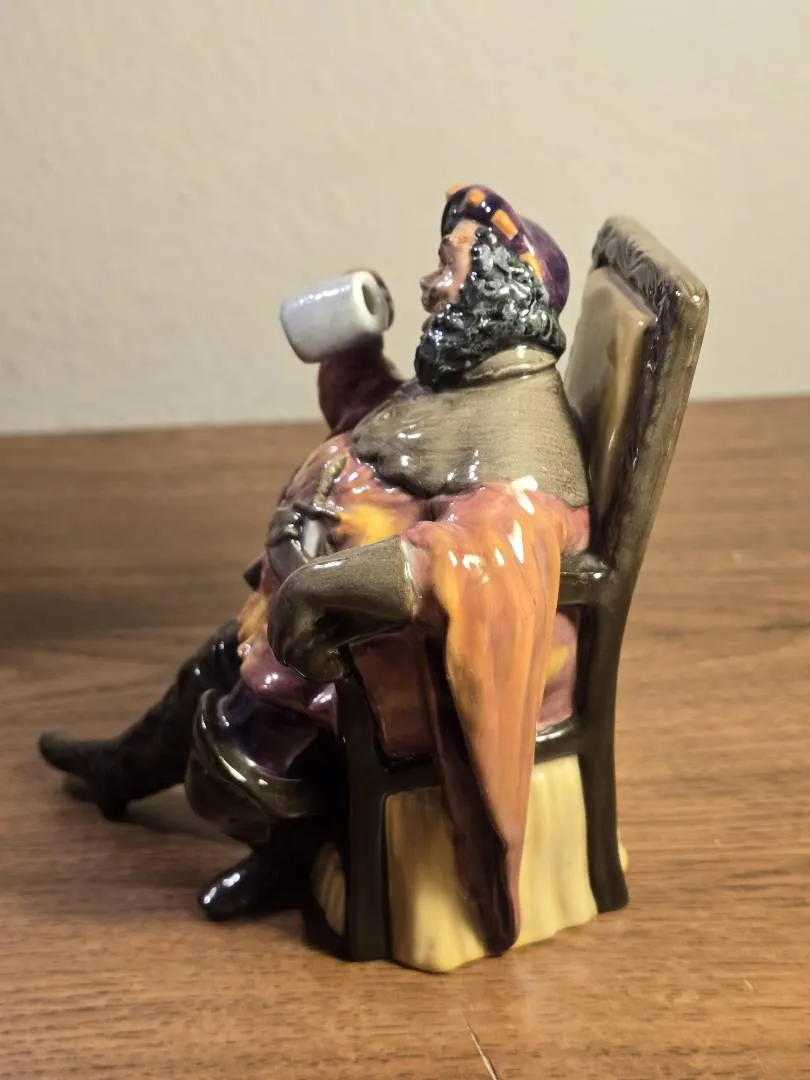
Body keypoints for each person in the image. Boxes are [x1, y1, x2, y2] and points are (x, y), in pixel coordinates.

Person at [40, 185, 591, 956]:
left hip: (387, 649)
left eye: (449, 267)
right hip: (315, 616)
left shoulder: (520, 432)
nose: (431, 285)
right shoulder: (463, 383)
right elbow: (373, 424)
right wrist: (350, 348)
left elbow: (477, 565)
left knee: (245, 755)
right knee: (213, 667)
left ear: (496, 290)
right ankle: (118, 775)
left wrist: (321, 586)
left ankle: (289, 852)